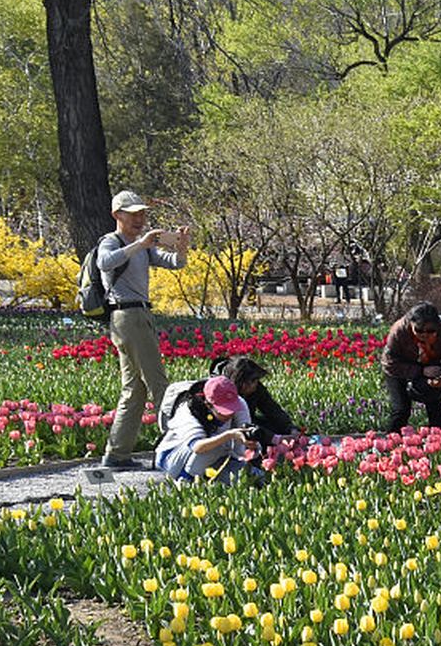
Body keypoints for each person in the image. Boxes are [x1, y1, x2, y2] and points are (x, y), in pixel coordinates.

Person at [96, 190, 190, 468]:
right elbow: (105, 262)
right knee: (160, 385)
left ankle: (117, 454)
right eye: (133, 213)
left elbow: (176, 263)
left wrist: (182, 246)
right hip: (127, 315)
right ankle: (177, 449)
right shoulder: (111, 242)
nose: (139, 218)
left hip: (140, 313)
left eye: (142, 213)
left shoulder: (143, 245)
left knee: (134, 390)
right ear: (117, 215)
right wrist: (140, 245)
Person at [154, 374, 261, 483]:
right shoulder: (187, 412)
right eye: (224, 410)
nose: (229, 414)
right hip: (174, 458)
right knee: (220, 445)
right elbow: (197, 446)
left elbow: (244, 434)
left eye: (232, 408)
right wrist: (229, 435)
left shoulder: (239, 403)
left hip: (215, 457)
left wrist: (250, 445)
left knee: (249, 479)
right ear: (208, 405)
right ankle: (186, 480)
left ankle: (206, 478)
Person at [381, 301, 441, 431]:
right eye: (418, 330)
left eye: (430, 331)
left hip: (430, 367)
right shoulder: (399, 331)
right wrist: (420, 371)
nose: (424, 335)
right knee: (401, 409)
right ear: (411, 324)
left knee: (435, 405)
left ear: (437, 326)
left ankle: (440, 443)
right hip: (399, 369)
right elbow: (389, 362)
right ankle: (391, 444)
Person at [209, 354, 297, 448]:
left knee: (276, 427)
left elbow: (271, 408)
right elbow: (240, 424)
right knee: (258, 437)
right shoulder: (221, 392)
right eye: (254, 381)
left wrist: (290, 428)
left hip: (249, 421)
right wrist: (276, 438)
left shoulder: (254, 387)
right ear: (243, 384)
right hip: (225, 432)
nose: (256, 384)